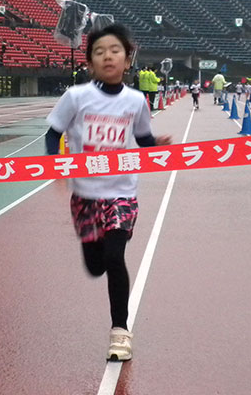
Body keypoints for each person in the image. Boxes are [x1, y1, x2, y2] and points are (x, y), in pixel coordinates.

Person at [45, 23, 171, 361]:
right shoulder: (76, 97)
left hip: (122, 192)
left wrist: (156, 144)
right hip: (85, 195)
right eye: (99, 52)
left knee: (115, 257)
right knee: (96, 265)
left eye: (115, 50)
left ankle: (120, 332)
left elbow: (143, 138)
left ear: (127, 60)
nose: (108, 56)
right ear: (90, 64)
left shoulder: (136, 101)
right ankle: (94, 250)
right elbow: (52, 133)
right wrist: (54, 163)